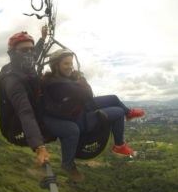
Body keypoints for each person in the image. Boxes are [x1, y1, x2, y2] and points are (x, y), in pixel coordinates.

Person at [41, 49, 145, 182]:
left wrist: (76, 79)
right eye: (66, 64)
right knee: (118, 113)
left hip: (77, 107)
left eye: (71, 63)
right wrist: (81, 78)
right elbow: (88, 94)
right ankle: (119, 146)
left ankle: (129, 113)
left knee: (113, 98)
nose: (70, 67)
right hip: (76, 117)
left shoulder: (59, 79)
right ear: (56, 65)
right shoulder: (58, 85)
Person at [1, 26, 51, 167]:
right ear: (12, 54)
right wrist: (39, 148)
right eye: (24, 50)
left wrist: (42, 38)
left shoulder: (26, 65)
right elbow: (25, 113)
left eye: (31, 49)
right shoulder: (13, 81)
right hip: (23, 124)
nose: (29, 53)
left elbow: (37, 51)